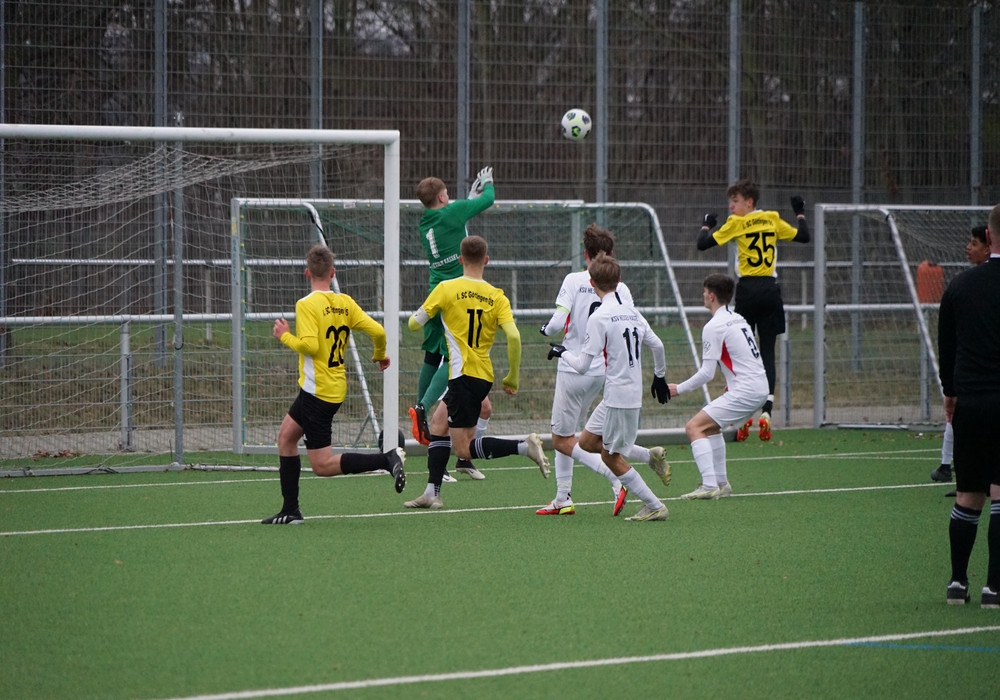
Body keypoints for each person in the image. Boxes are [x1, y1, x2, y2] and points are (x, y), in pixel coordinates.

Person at [262, 244, 406, 525]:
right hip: (327, 388)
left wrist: (285, 336)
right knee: (286, 438)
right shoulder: (345, 302)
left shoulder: (306, 304)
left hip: (318, 393)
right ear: (333, 272)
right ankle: (290, 510)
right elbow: (378, 331)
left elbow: (310, 346)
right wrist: (379, 355)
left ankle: (387, 459)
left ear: (307, 273)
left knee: (322, 465)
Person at [404, 235, 550, 509]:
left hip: (463, 377)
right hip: (481, 375)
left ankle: (523, 446)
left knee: (464, 449)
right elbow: (514, 337)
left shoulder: (446, 288)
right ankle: (432, 493)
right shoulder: (497, 296)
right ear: (486, 260)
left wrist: (426, 314)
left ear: (460, 259)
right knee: (438, 424)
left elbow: (413, 324)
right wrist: (513, 377)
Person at [538, 224, 671, 516]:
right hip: (605, 373)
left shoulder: (576, 282)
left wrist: (552, 340)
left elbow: (558, 325)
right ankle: (564, 496)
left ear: (586, 256)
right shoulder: (625, 295)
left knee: (562, 439)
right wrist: (659, 376)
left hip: (580, 370)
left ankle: (618, 479)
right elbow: (650, 339)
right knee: (586, 439)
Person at [697, 179, 810, 442]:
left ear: (749, 202)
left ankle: (743, 409)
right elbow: (804, 236)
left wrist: (706, 224)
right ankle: (767, 411)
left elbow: (702, 244)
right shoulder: (772, 219)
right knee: (768, 351)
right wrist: (800, 213)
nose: (731, 206)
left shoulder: (736, 223)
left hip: (747, 290)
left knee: (742, 352)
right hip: (770, 290)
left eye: (735, 201)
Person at [409, 167, 496, 481]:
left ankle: (422, 411)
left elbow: (455, 222)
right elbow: (488, 199)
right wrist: (487, 183)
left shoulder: (426, 221)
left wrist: (464, 202)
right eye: (447, 194)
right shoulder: (452, 212)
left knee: (432, 355)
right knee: (451, 357)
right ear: (442, 197)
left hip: (434, 290)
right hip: (454, 297)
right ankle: (425, 407)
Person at [937, 204, 1000, 609]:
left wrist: (950, 391)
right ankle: (994, 588)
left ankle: (957, 583)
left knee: (968, 494)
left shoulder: (960, 286)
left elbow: (947, 346)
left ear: (989, 236)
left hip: (971, 402)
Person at [667, 273, 768, 500]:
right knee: (711, 427)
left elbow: (707, 373)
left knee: (694, 427)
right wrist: (733, 384)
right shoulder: (738, 319)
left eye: (704, 292)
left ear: (711, 296)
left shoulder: (714, 326)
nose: (703, 296)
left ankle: (709, 485)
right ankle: (722, 484)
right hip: (758, 386)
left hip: (746, 390)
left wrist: (678, 389)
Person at [931, 225, 990, 488]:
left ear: (989, 248)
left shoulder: (980, 286)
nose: (968, 247)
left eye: (974, 243)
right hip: (969, 371)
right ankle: (948, 465)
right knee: (957, 413)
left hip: (982, 373)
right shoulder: (966, 284)